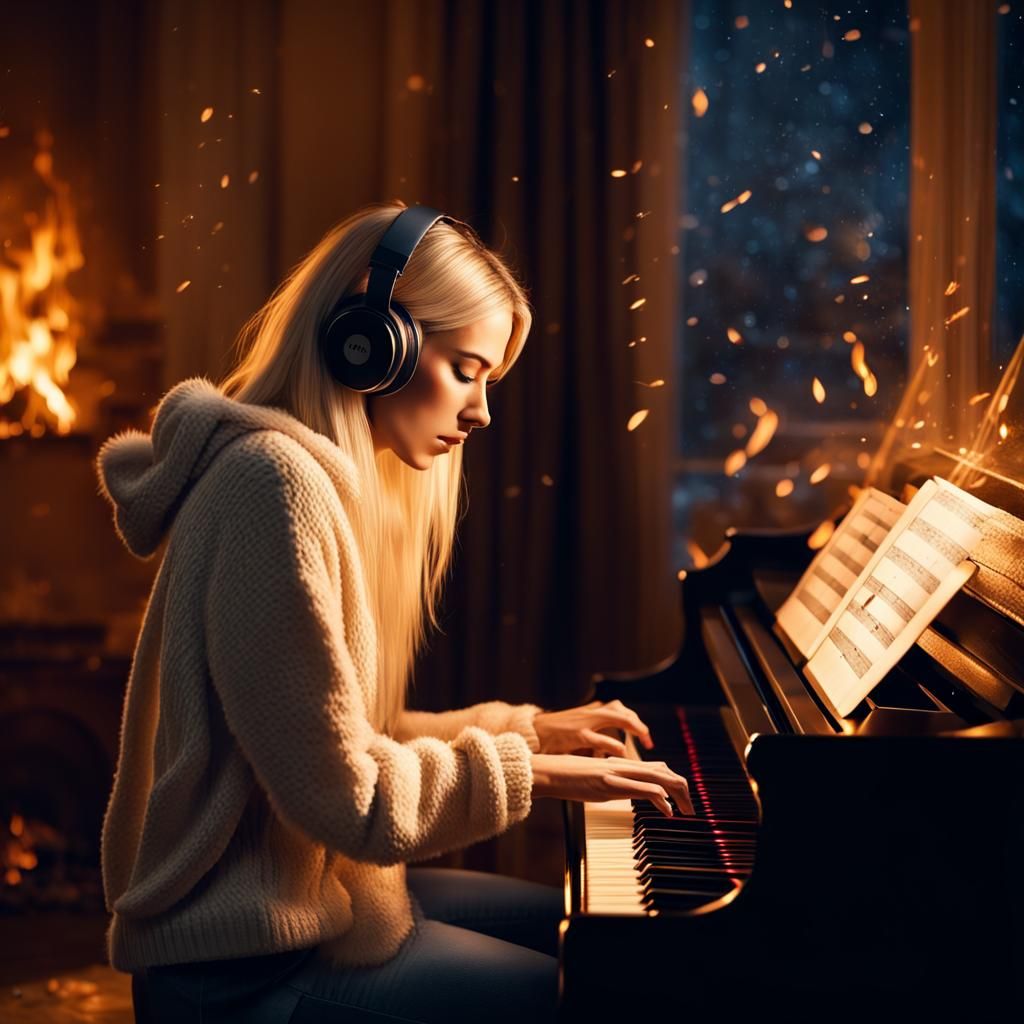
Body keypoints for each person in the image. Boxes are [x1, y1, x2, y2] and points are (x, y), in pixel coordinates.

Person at [95, 202, 693, 1024]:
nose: (482, 411)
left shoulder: (300, 477)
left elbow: (333, 741)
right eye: (467, 369)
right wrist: (534, 773)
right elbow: (349, 799)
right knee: (613, 994)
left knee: (607, 939)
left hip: (314, 911)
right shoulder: (272, 486)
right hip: (240, 971)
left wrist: (529, 729)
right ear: (369, 344)